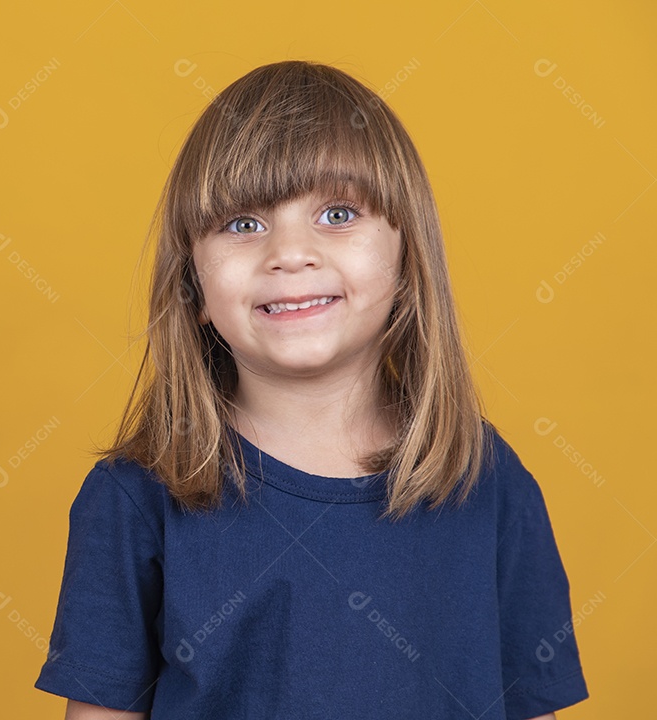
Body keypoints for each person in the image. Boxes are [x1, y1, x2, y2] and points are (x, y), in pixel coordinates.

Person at [33, 60, 589, 719]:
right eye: (243, 224)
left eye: (337, 212)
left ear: (408, 261)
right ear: (194, 287)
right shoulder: (133, 499)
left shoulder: (489, 482)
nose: (290, 253)